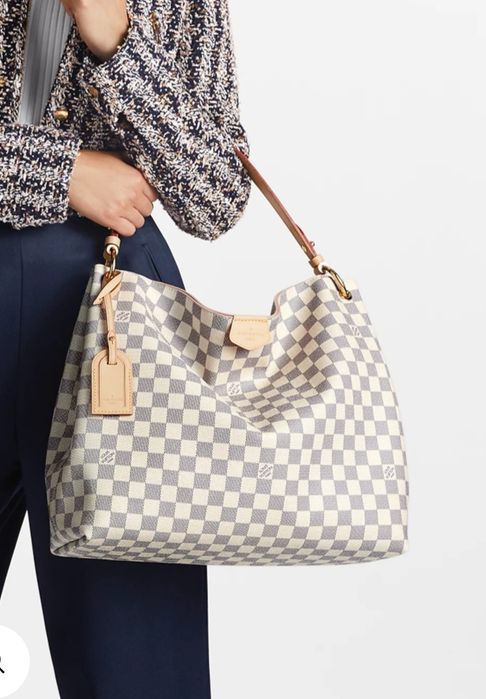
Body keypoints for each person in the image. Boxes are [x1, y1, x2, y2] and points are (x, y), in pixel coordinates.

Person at [0, 0, 251, 697]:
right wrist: (56, 172)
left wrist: (117, 38)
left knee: (140, 673)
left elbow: (216, 193)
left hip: (117, 325)